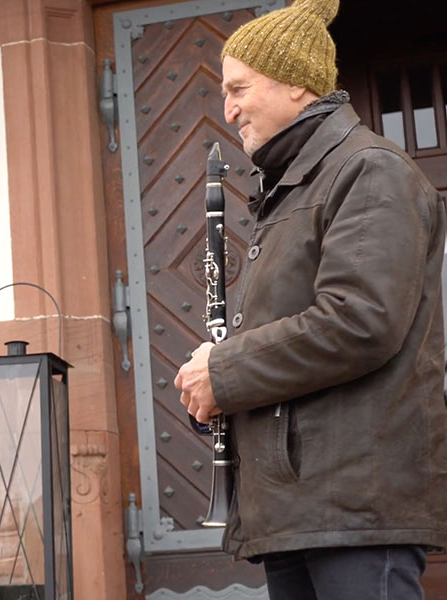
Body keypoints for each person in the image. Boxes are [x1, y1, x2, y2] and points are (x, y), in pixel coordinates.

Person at [173, 0, 447, 598]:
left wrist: (227, 369)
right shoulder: (293, 186)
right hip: (300, 506)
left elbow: (359, 322)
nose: (229, 108)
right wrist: (220, 388)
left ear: (297, 82)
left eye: (239, 88)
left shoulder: (369, 170)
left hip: (353, 505)